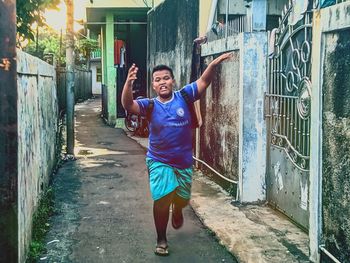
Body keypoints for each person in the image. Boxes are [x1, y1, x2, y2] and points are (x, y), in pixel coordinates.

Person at [121, 52, 232, 256]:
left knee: (181, 198)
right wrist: (128, 83)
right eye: (157, 80)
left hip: (183, 162)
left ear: (172, 80)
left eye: (165, 78)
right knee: (163, 197)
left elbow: (204, 81)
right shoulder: (149, 105)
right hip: (159, 160)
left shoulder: (184, 95)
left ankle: (179, 208)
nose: (162, 82)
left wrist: (213, 64)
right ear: (153, 85)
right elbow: (128, 105)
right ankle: (161, 239)